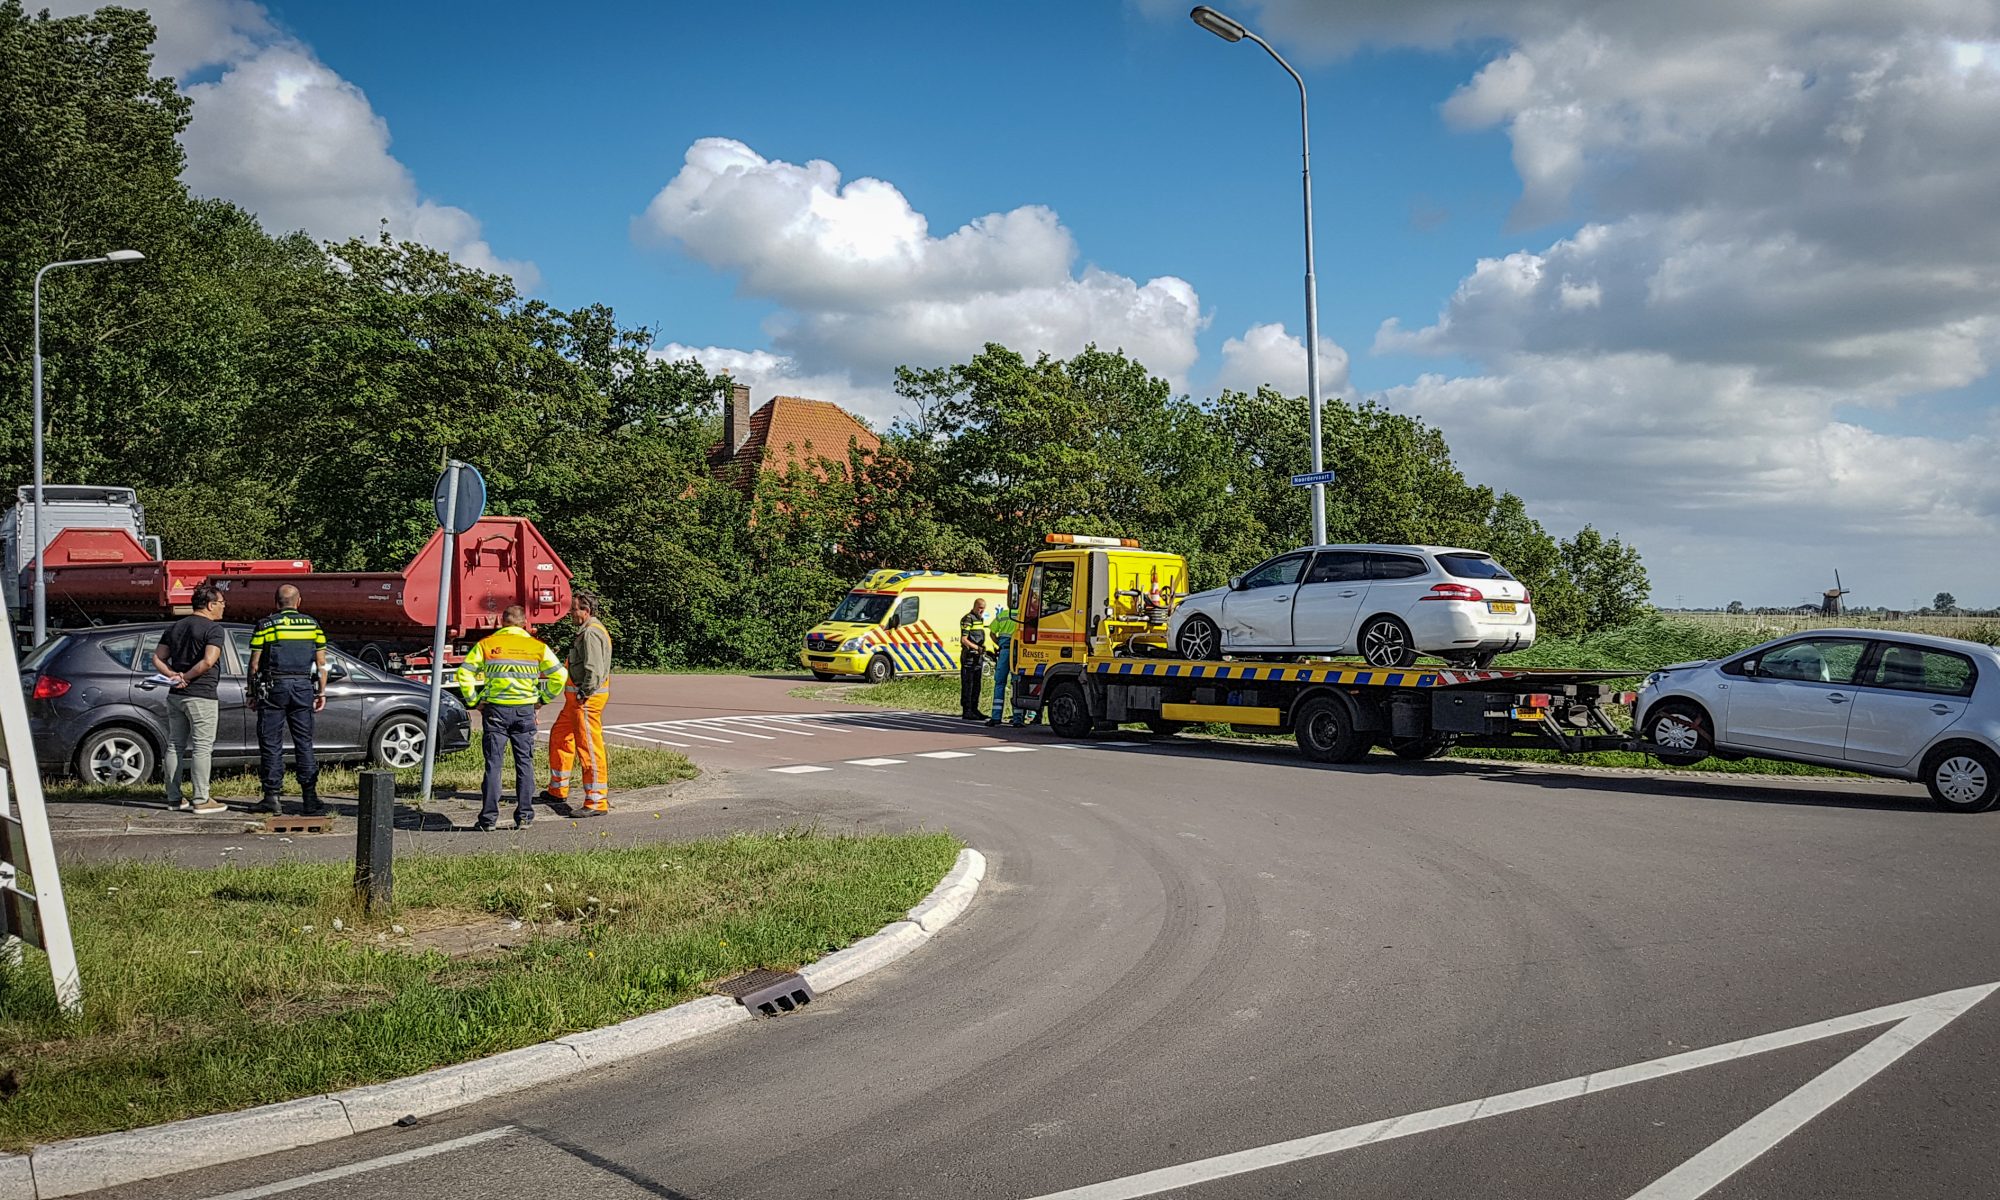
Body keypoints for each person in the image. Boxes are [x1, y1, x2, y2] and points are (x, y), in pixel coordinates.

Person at [457, 605, 566, 831]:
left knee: (493, 764)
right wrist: (542, 699)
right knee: (524, 763)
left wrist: (474, 701)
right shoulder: (536, 647)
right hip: (525, 710)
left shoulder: (487, 645)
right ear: (524, 623)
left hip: (496, 711)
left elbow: (464, 672)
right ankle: (525, 816)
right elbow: (560, 674)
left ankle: (488, 819)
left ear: (502, 622)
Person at [248, 584, 329, 817]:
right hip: (303, 687)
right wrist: (321, 692)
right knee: (304, 741)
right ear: (299, 602)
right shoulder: (312, 625)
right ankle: (310, 798)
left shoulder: (266, 625)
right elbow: (322, 663)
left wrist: (252, 692)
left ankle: (272, 797)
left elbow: (254, 664)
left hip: (274, 688)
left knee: (271, 742)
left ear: (276, 603)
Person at [152, 583, 229, 814]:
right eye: (222, 603)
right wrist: (187, 676)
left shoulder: (175, 627)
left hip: (176, 694)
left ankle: (174, 798)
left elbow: (157, 658)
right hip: (202, 694)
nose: (223, 608)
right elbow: (208, 661)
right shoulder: (214, 629)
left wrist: (174, 676)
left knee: (175, 744)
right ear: (210, 604)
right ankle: (201, 798)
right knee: (202, 747)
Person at [542, 590, 613, 818]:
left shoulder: (591, 633)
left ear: (586, 610)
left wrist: (584, 693)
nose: (570, 613)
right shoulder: (590, 630)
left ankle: (596, 802)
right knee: (560, 736)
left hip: (585, 701)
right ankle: (557, 789)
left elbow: (594, 669)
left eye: (573, 609)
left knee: (589, 748)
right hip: (577, 700)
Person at [985, 600, 1017, 727]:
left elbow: (992, 632)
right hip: (1018, 653)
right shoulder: (1023, 615)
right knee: (1017, 684)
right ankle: (1018, 718)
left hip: (1004, 652)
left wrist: (999, 643)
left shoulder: (1003, 614)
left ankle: (996, 716)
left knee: (999, 683)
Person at [959, 597, 990, 720]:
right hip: (969, 657)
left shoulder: (980, 619)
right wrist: (976, 647)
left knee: (977, 685)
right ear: (975, 606)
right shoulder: (968, 619)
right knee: (968, 684)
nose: (981, 611)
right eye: (980, 608)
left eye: (983, 609)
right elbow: (964, 639)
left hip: (978, 657)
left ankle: (974, 709)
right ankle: (967, 710)